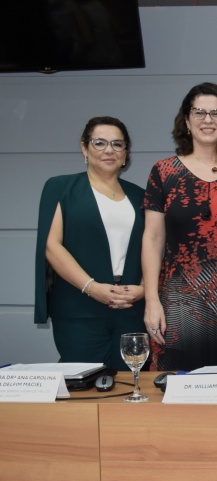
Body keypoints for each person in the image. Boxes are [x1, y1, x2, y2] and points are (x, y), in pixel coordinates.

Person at [142, 83, 217, 371]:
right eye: (199, 112)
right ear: (186, 121)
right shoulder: (164, 172)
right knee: (178, 389)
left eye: (216, 113)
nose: (207, 120)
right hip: (177, 302)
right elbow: (152, 239)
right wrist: (151, 300)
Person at [34, 116, 145, 371]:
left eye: (118, 144)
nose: (109, 150)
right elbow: (52, 246)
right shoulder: (61, 187)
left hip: (130, 309)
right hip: (79, 308)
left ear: (126, 153)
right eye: (100, 142)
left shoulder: (141, 196)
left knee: (131, 385)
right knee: (82, 387)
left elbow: (155, 248)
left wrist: (144, 289)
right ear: (84, 148)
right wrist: (92, 287)